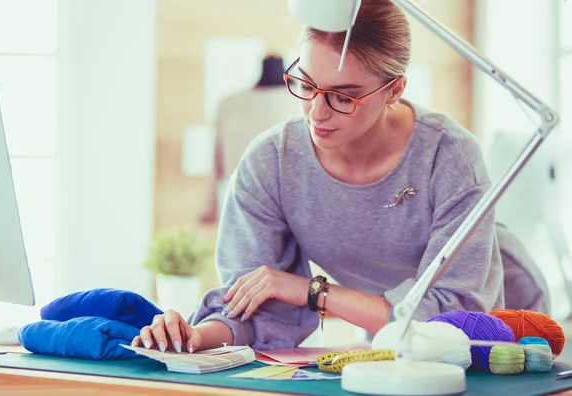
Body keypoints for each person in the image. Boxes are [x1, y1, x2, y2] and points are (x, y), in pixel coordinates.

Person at [133, 0, 550, 354]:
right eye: (306, 84)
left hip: (500, 326)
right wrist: (193, 337)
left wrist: (312, 291)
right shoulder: (271, 163)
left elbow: (451, 314)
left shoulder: (448, 156)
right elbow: (257, 304)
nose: (317, 111)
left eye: (343, 96)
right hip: (393, 334)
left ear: (394, 90)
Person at [199, 55, 301, 224]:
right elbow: (217, 158)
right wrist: (209, 205)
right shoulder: (228, 105)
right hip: (243, 202)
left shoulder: (306, 101)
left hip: (286, 205)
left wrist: (208, 206)